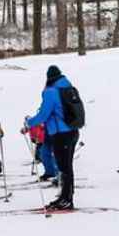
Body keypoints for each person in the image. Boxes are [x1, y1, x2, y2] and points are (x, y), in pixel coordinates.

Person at [24, 65, 80, 211]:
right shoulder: (68, 88)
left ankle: (66, 199)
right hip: (72, 132)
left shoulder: (51, 92)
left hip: (61, 134)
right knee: (67, 167)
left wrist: (29, 123)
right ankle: (66, 197)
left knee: (63, 168)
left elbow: (44, 114)